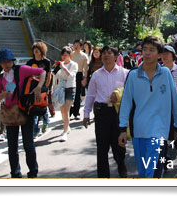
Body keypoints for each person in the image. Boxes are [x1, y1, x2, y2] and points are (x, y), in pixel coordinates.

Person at [117, 36, 177, 178]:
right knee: (143, 173)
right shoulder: (133, 75)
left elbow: (175, 101)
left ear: (159, 54)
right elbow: (126, 102)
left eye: (152, 50)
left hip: (159, 131)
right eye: (145, 49)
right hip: (139, 131)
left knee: (152, 173)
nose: (147, 53)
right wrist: (122, 128)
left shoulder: (165, 73)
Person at [0, 48, 46, 178]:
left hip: (25, 110)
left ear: (12, 60)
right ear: (0, 64)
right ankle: (15, 173)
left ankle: (33, 171)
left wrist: (39, 88)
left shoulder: (21, 70)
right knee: (12, 146)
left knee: (28, 143)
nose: (6, 64)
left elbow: (42, 72)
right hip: (10, 113)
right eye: (3, 62)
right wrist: (3, 94)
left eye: (8, 61)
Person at [83, 46, 129, 178]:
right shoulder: (96, 75)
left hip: (118, 113)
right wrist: (86, 114)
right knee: (102, 148)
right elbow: (91, 95)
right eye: (104, 53)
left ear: (116, 57)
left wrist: (119, 96)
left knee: (118, 147)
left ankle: (121, 166)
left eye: (109, 53)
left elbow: (130, 93)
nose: (106, 55)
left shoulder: (125, 73)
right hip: (101, 112)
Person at [25, 41, 52, 138]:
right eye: (34, 49)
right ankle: (35, 130)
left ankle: (46, 121)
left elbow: (49, 75)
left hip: (43, 87)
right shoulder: (30, 62)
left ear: (42, 50)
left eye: (38, 49)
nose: (36, 50)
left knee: (43, 106)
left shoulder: (46, 62)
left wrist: (47, 87)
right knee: (34, 108)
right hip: (32, 89)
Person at [54, 46, 78, 141]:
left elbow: (72, 76)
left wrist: (64, 68)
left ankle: (64, 132)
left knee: (67, 110)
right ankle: (67, 126)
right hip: (61, 89)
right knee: (62, 110)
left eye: (65, 55)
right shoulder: (60, 64)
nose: (63, 57)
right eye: (62, 55)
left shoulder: (74, 64)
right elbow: (55, 75)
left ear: (70, 55)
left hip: (70, 88)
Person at [70, 39, 88, 120]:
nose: (76, 46)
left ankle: (76, 112)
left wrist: (85, 78)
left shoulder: (84, 56)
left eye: (78, 45)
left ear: (81, 47)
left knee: (77, 94)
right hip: (70, 75)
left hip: (79, 75)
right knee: (69, 93)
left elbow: (85, 69)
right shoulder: (70, 54)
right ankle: (69, 111)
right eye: (75, 44)